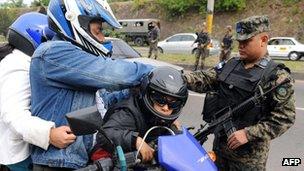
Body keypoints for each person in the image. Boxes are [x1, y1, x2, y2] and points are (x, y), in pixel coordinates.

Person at [29, 0, 152, 170]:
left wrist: (138, 92)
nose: (102, 38)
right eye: (99, 30)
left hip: (80, 161)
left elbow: (102, 101)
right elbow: (112, 73)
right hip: (56, 163)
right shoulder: (53, 53)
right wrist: (156, 74)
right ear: (74, 21)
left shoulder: (78, 67)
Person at [184, 15, 295, 170]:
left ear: (263, 40)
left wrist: (248, 134)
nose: (240, 46)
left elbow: (285, 118)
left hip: (248, 161)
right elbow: (204, 79)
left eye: (246, 41)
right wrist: (177, 78)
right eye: (239, 42)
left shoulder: (277, 76)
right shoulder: (231, 64)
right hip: (219, 153)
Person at [0, 12, 76, 171]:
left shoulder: (17, 59)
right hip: (14, 159)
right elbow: (14, 115)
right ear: (39, 37)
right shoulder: (18, 66)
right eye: (51, 41)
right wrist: (49, 134)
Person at [101, 67, 188, 162]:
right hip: (117, 162)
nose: (166, 108)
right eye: (160, 100)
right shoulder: (129, 112)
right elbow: (105, 133)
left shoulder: (166, 120)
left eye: (173, 103)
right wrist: (135, 141)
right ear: (148, 95)